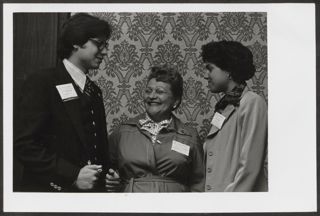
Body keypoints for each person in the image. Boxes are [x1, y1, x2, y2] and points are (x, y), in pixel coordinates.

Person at [14, 13, 113, 192]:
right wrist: (73, 175)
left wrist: (108, 176)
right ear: (76, 42)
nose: (105, 51)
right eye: (99, 44)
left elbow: (96, 147)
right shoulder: (42, 82)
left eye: (106, 45)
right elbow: (25, 146)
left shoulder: (94, 91)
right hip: (50, 194)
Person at [106, 65, 205, 192]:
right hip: (132, 208)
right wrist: (111, 179)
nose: (152, 96)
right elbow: (107, 170)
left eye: (160, 91)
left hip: (175, 209)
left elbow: (199, 183)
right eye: (148, 90)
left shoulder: (189, 136)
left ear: (175, 101)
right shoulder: (123, 132)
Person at [201, 41, 268, 192]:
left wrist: (229, 203)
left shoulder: (252, 102)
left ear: (228, 70)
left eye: (209, 68)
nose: (205, 75)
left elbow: (250, 167)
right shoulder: (224, 107)